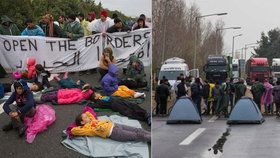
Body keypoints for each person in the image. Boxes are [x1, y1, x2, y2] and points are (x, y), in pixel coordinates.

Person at [71, 110, 151, 142]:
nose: (88, 117)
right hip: (114, 133)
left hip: (115, 125)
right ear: (82, 122)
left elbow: (88, 112)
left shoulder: (92, 120)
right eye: (85, 118)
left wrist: (86, 116)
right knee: (137, 135)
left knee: (137, 130)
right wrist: (80, 125)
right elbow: (73, 130)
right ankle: (152, 139)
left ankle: (151, 135)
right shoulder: (86, 129)